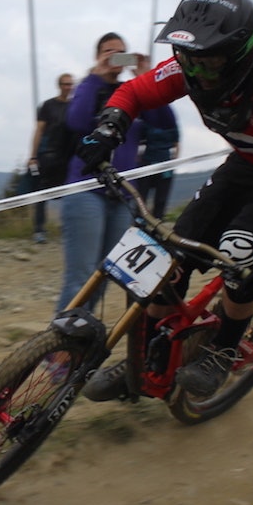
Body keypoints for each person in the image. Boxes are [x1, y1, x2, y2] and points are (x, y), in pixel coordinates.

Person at [77, 0, 253, 400]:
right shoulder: (194, 61)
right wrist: (109, 126)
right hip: (249, 162)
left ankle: (224, 347)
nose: (194, 71)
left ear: (242, 54)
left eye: (207, 62)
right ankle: (146, 360)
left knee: (241, 254)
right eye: (186, 58)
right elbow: (135, 90)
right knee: (168, 259)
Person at [55, 33, 176, 312]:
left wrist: (149, 78)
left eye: (121, 52)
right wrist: (96, 75)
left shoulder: (132, 91)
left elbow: (165, 122)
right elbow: (76, 121)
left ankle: (79, 344)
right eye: (108, 52)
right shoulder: (89, 87)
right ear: (97, 56)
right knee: (80, 278)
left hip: (122, 195)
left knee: (106, 275)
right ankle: (57, 351)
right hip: (86, 191)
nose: (114, 57)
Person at [27, 72, 76, 242]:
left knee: (69, 193)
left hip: (69, 155)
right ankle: (39, 229)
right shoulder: (48, 106)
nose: (68, 87)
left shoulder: (75, 105)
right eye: (65, 84)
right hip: (48, 154)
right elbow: (39, 131)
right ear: (59, 85)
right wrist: (33, 156)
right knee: (42, 192)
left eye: (70, 84)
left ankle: (67, 227)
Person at [134, 105, 180, 219]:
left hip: (164, 165)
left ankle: (154, 226)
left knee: (159, 200)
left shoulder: (168, 117)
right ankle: (141, 224)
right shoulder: (144, 116)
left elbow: (176, 143)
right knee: (142, 199)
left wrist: (172, 163)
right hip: (147, 164)